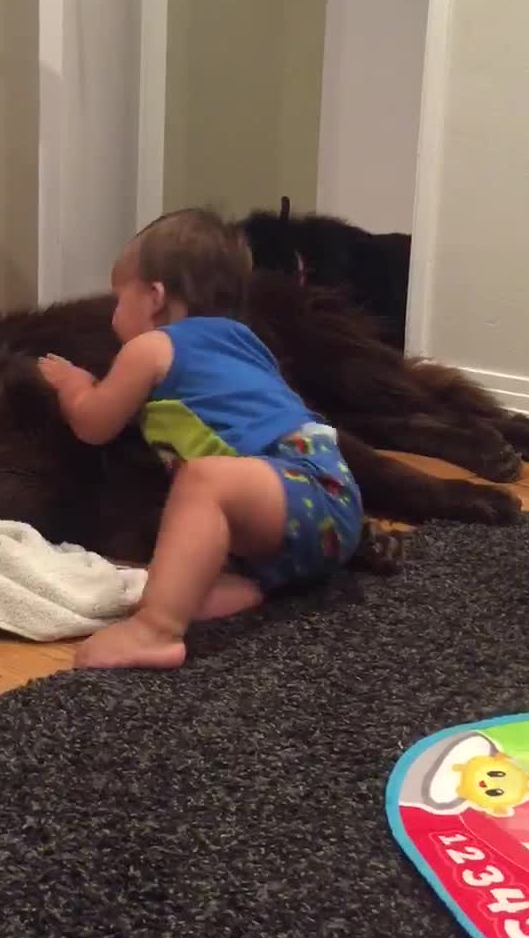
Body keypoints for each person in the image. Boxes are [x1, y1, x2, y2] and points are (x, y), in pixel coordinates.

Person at [39, 208, 363, 670]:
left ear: (153, 298)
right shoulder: (247, 343)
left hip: (304, 487)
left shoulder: (152, 347)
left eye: (118, 299)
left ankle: (155, 630)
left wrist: (73, 384)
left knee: (203, 481)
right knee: (201, 524)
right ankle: (248, 585)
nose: (113, 315)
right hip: (328, 501)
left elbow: (94, 425)